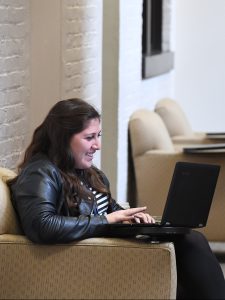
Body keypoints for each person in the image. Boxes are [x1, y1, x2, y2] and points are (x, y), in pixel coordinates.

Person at [8, 98, 225, 299]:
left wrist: (131, 219)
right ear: (63, 138)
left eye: (98, 136)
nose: (97, 145)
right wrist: (109, 221)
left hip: (102, 246)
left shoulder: (86, 172)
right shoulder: (41, 172)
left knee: (187, 239)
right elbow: (42, 226)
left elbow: (108, 208)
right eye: (89, 137)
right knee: (190, 244)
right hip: (84, 258)